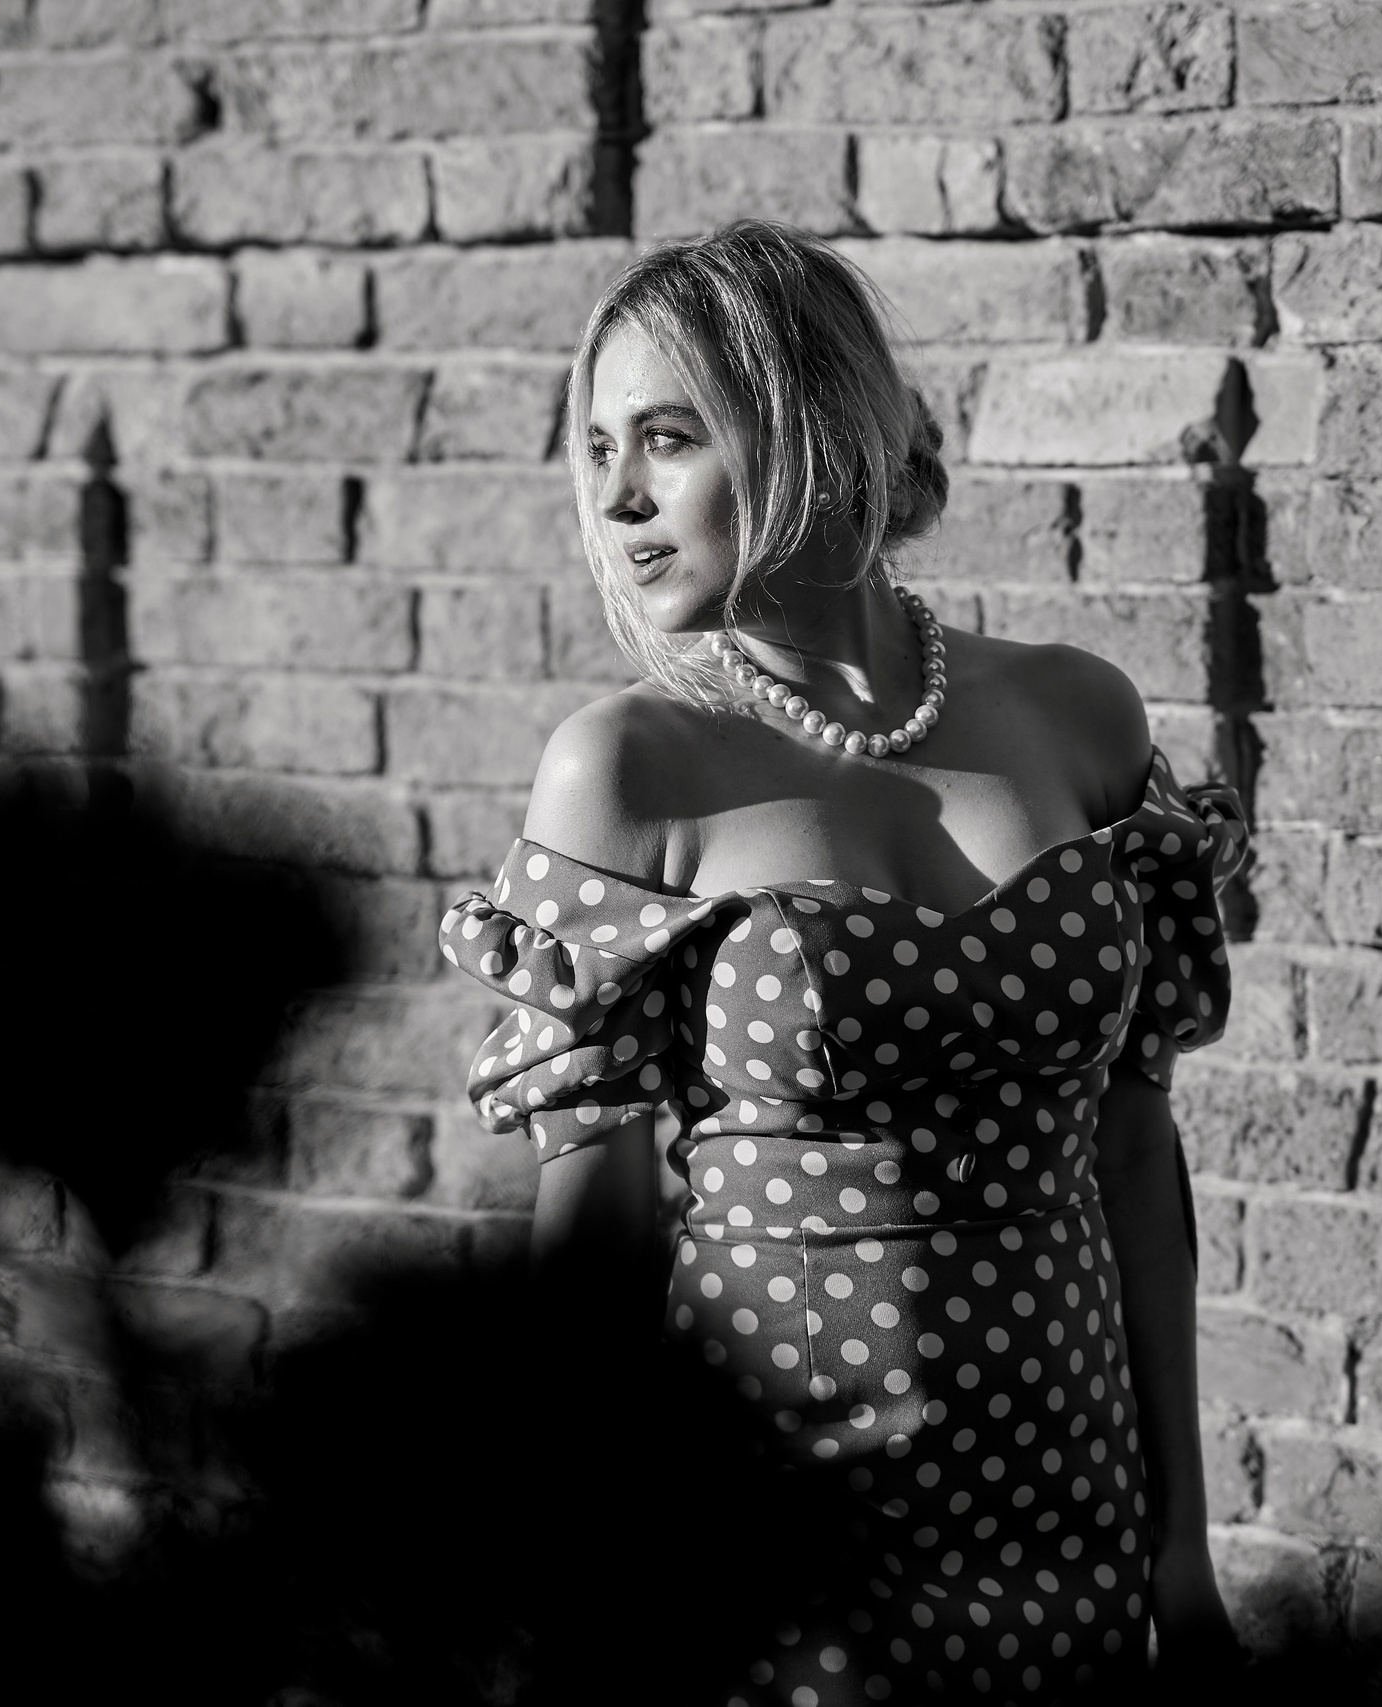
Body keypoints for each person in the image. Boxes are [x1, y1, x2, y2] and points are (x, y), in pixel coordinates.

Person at [437, 220, 1249, 1705]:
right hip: (773, 1539)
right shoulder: (628, 767)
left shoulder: (1081, 716)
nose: (617, 497)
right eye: (600, 448)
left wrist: (1181, 1545)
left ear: (805, 420)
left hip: (1069, 1512)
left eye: (667, 439)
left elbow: (1136, 1157)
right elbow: (596, 1248)